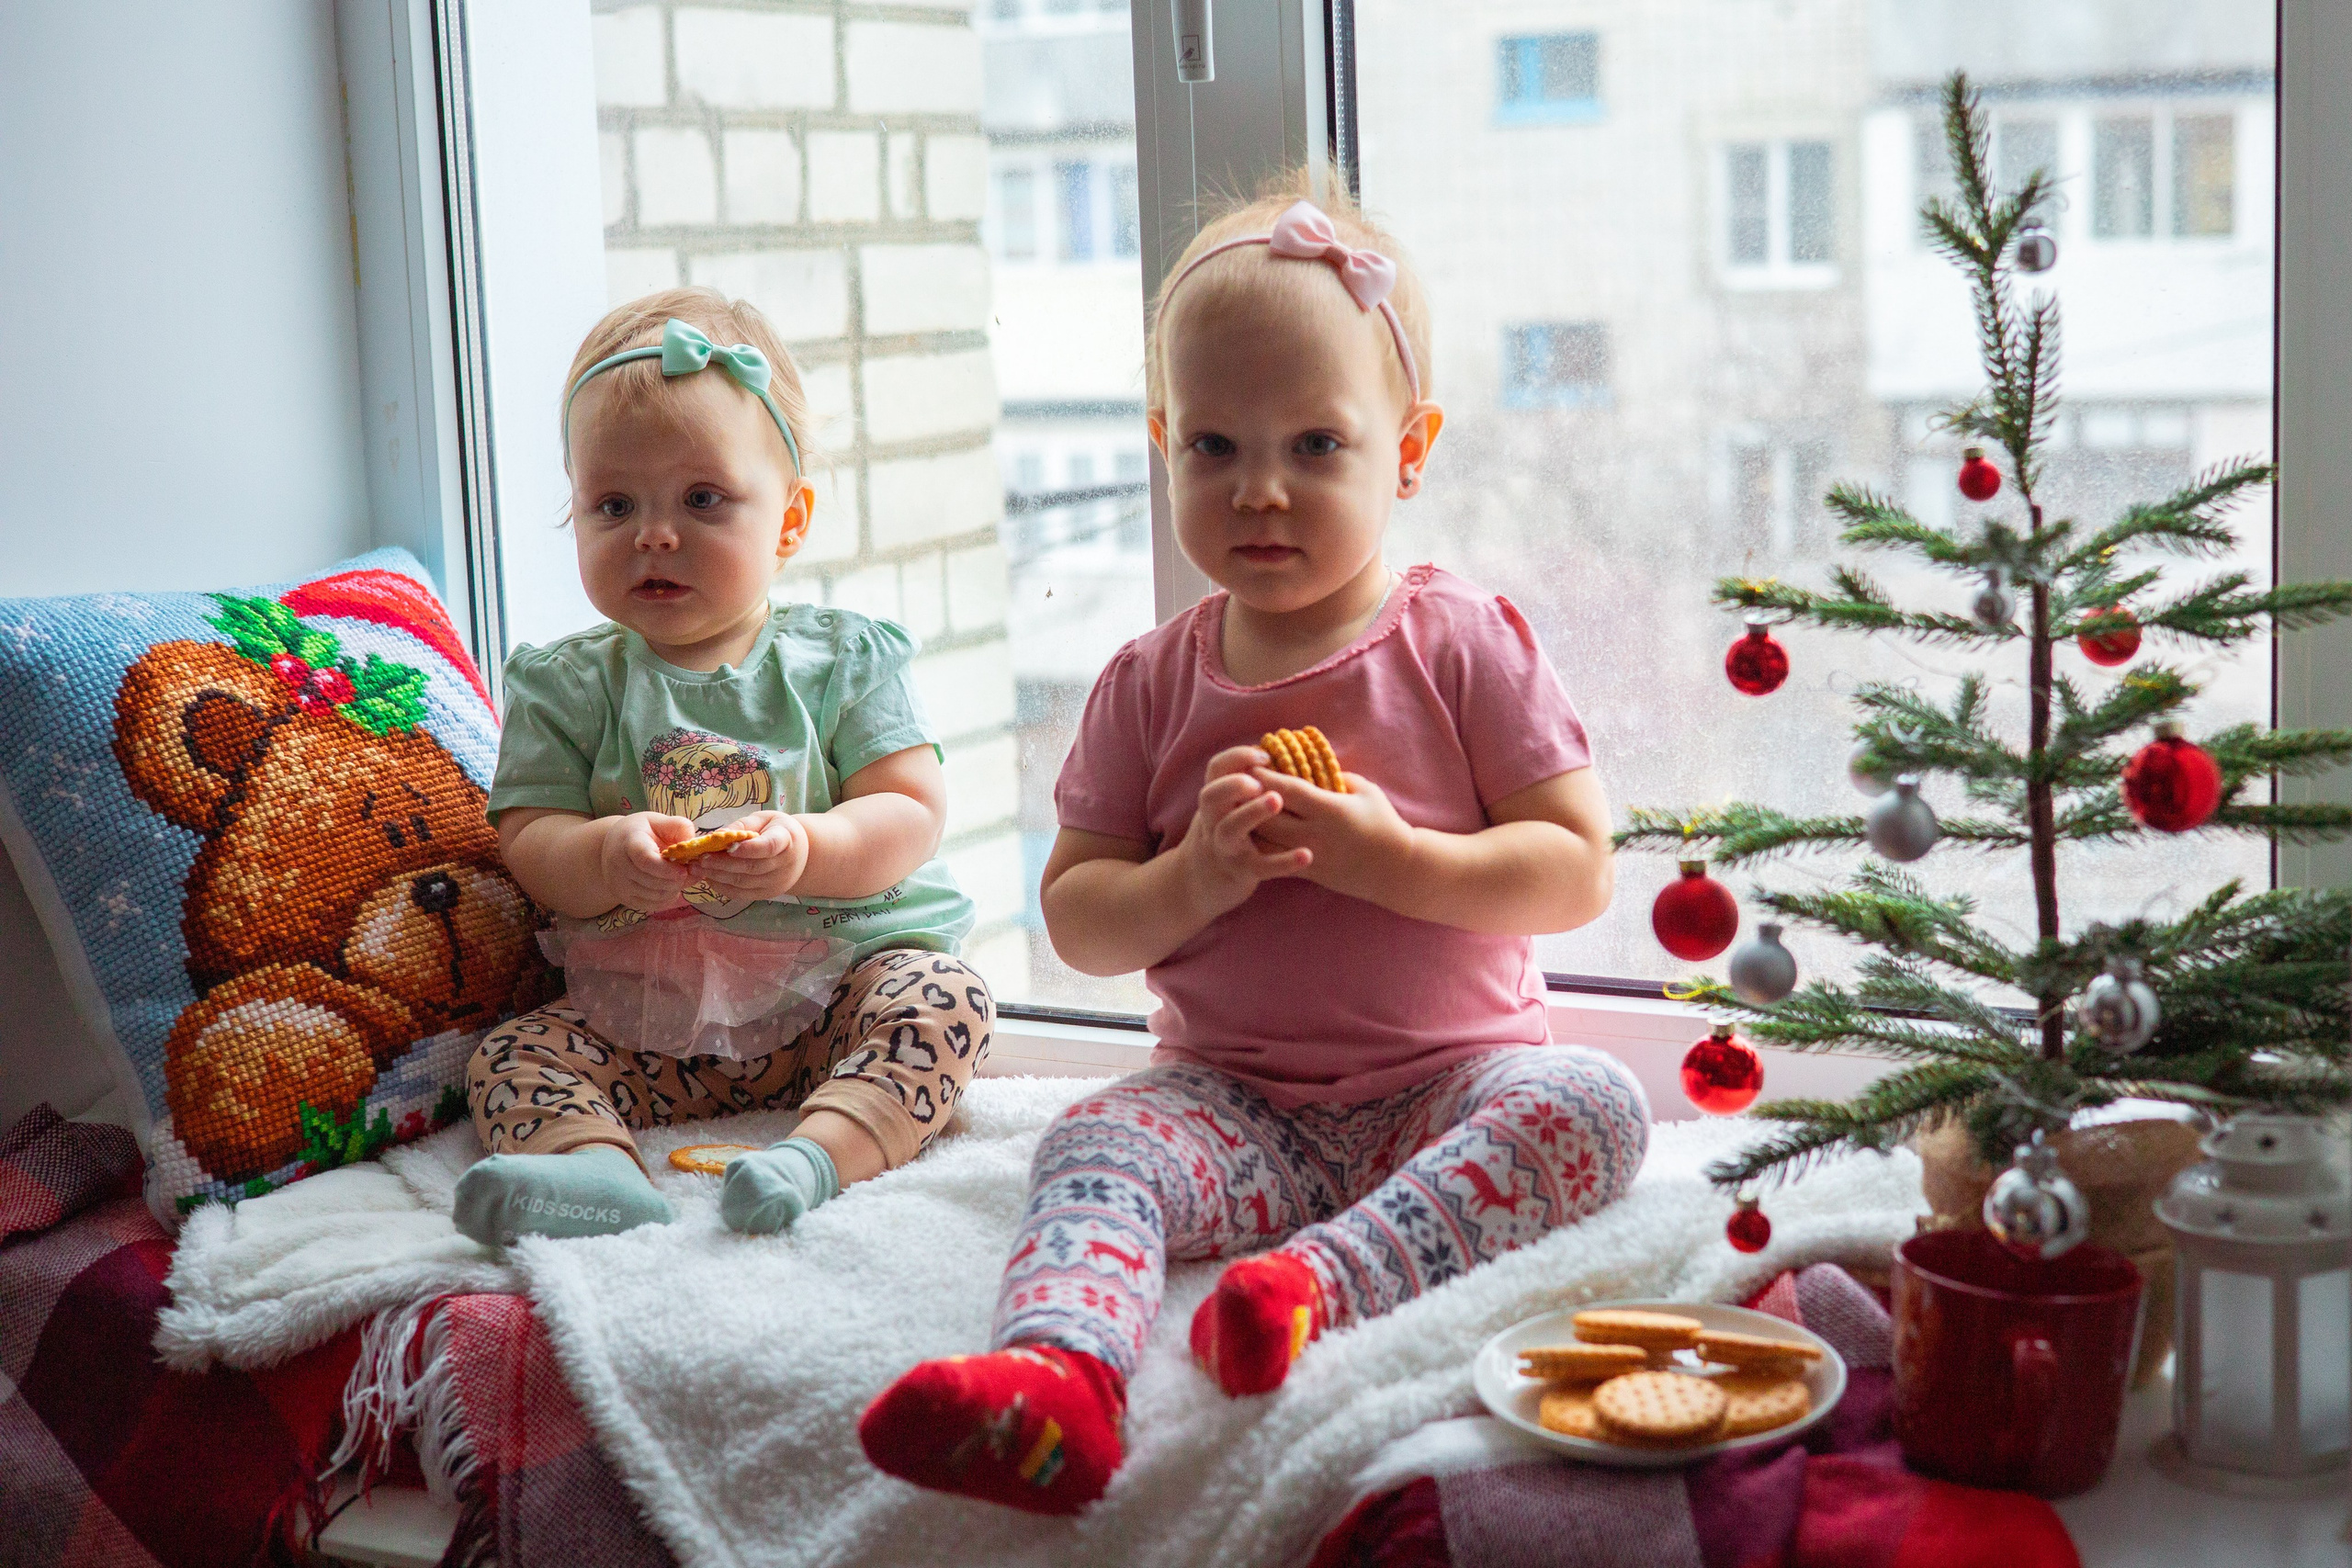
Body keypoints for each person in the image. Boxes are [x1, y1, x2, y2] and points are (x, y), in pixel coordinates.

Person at [858, 180, 1648, 1514]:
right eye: (1214, 445)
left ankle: (1307, 1288)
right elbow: (1081, 920)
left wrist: (1395, 860)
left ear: (1409, 450)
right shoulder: (1147, 681)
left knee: (1595, 1107)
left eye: (1316, 445)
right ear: (1162, 445)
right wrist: (1197, 877)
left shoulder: (1459, 641)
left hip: (1447, 1089)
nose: (1260, 489)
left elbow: (1576, 867)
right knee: (1092, 1142)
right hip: (1232, 1102)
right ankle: (1055, 1378)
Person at [450, 288, 990, 1248]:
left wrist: (808, 848)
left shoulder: (843, 659)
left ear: (789, 521)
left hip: (835, 991)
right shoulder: (565, 684)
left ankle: (818, 1156)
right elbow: (527, 839)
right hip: (640, 1016)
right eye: (613, 505)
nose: (653, 534)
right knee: (513, 1054)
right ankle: (596, 1177)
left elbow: (911, 809)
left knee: (945, 1000)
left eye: (702, 500)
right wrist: (603, 854)